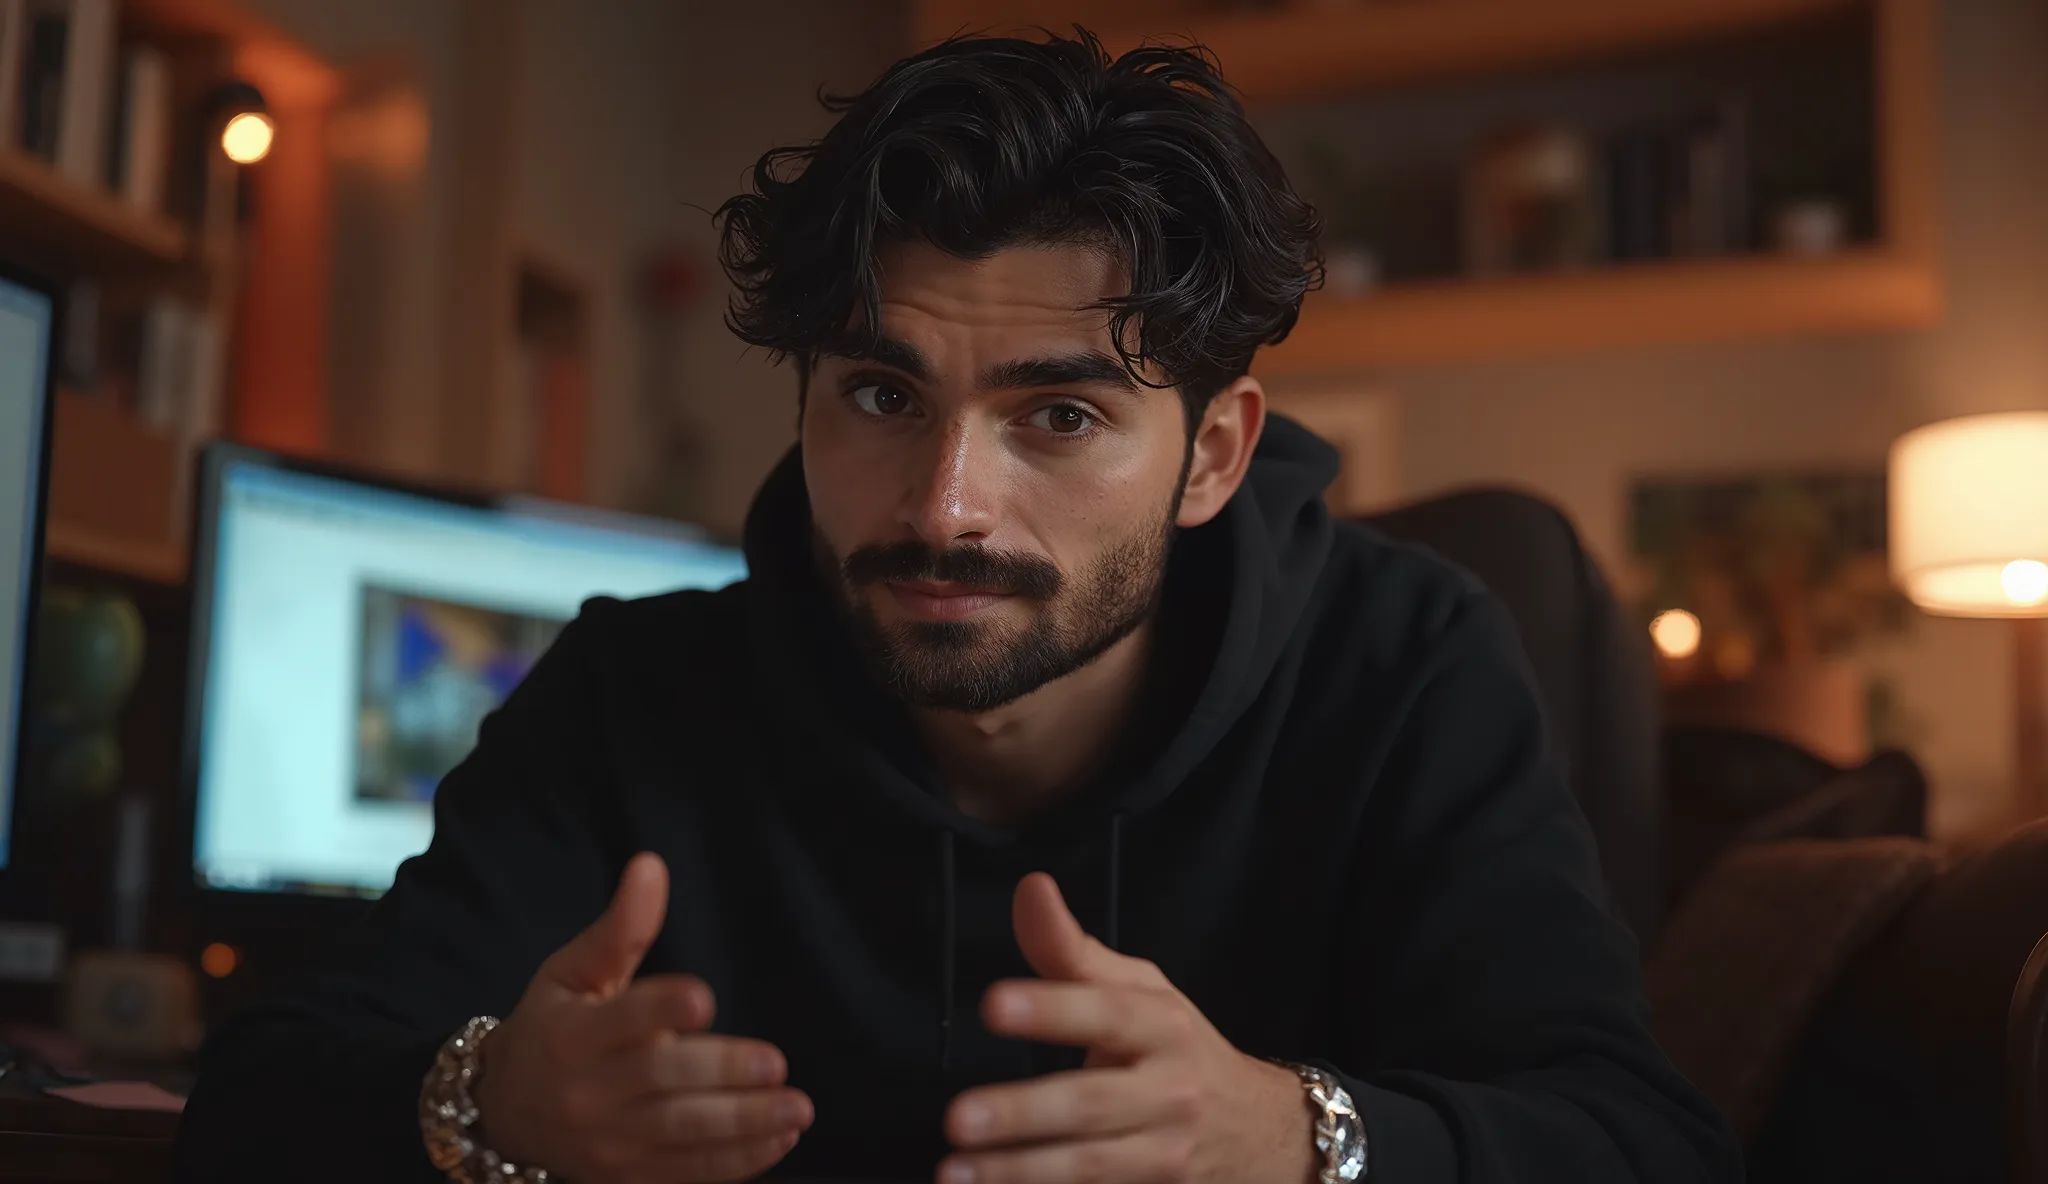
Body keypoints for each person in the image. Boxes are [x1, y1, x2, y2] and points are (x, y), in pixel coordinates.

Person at [176, 29, 1741, 1184]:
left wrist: (1296, 1139)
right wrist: (485, 1109)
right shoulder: (634, 697)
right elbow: (256, 1092)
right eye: (880, 393)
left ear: (1212, 455)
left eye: (1057, 417)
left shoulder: (1409, 665)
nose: (942, 505)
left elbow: (1640, 1146)